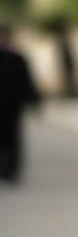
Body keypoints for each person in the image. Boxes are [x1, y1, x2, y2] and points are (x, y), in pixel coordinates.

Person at [0, 24, 42, 183]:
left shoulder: (18, 59)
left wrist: (35, 101)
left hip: (13, 105)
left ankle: (11, 170)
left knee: (12, 138)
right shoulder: (18, 59)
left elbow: (27, 81)